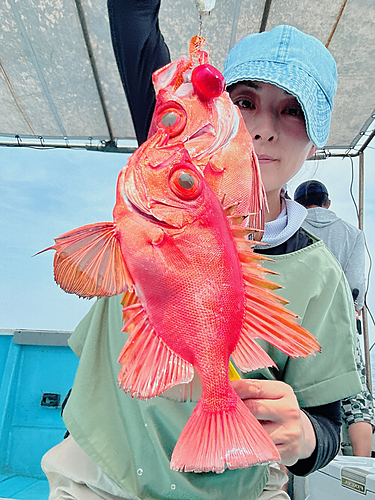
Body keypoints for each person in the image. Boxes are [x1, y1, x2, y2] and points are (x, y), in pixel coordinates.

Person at [41, 3, 362, 499]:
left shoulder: (320, 273)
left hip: (241, 485)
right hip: (103, 471)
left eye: (293, 109)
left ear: (316, 142)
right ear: (213, 111)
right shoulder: (165, 168)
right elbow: (132, 23)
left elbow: (327, 426)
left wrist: (303, 437)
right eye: (245, 101)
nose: (263, 128)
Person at [294, 179, 374, 457]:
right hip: (342, 325)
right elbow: (357, 290)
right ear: (328, 203)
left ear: (295, 204)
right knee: (356, 399)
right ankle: (361, 472)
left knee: (295, 397)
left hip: (298, 326)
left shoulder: (291, 230)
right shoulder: (353, 234)